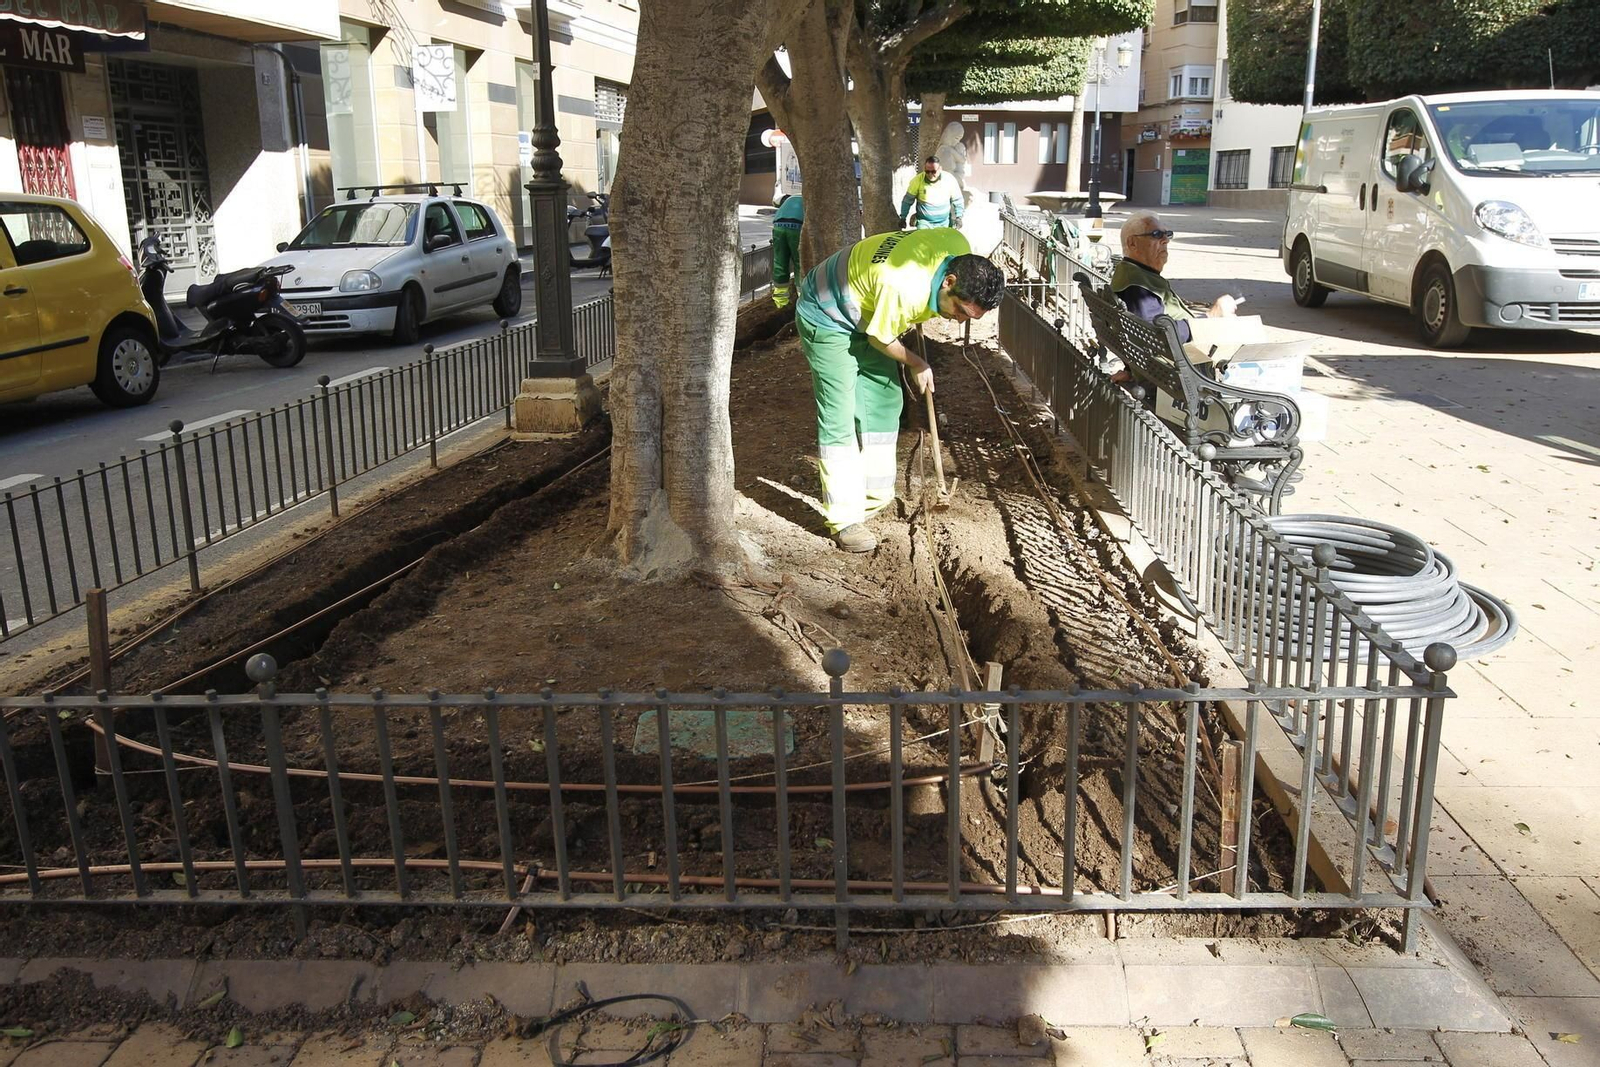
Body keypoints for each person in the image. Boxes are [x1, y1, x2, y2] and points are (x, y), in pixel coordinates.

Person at [795, 228, 1005, 552]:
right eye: (960, 311)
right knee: (838, 414)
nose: (961, 321)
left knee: (884, 400)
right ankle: (844, 520)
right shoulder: (903, 289)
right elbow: (881, 338)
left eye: (971, 317)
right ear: (948, 281)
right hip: (827, 314)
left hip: (869, 310)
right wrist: (918, 362)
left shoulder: (958, 246)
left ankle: (873, 497)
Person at [1111, 211, 1236, 344]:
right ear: (1132, 243)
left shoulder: (1133, 272)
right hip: (1178, 359)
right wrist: (1210, 317)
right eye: (1157, 234)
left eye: (1167, 234)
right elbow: (1153, 335)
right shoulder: (1137, 286)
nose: (1166, 240)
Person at [900, 157, 964, 230]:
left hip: (944, 223)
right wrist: (903, 218)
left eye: (933, 172)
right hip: (924, 222)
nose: (930, 174)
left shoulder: (949, 180)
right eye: (927, 171)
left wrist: (959, 218)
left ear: (940, 169)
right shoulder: (917, 180)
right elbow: (907, 201)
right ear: (924, 169)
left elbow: (958, 201)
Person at [770, 193, 804, 308]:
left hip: (778, 225)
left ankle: (780, 301)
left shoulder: (792, 198)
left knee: (780, 262)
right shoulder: (812, 199)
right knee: (800, 263)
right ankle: (802, 298)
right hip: (798, 227)